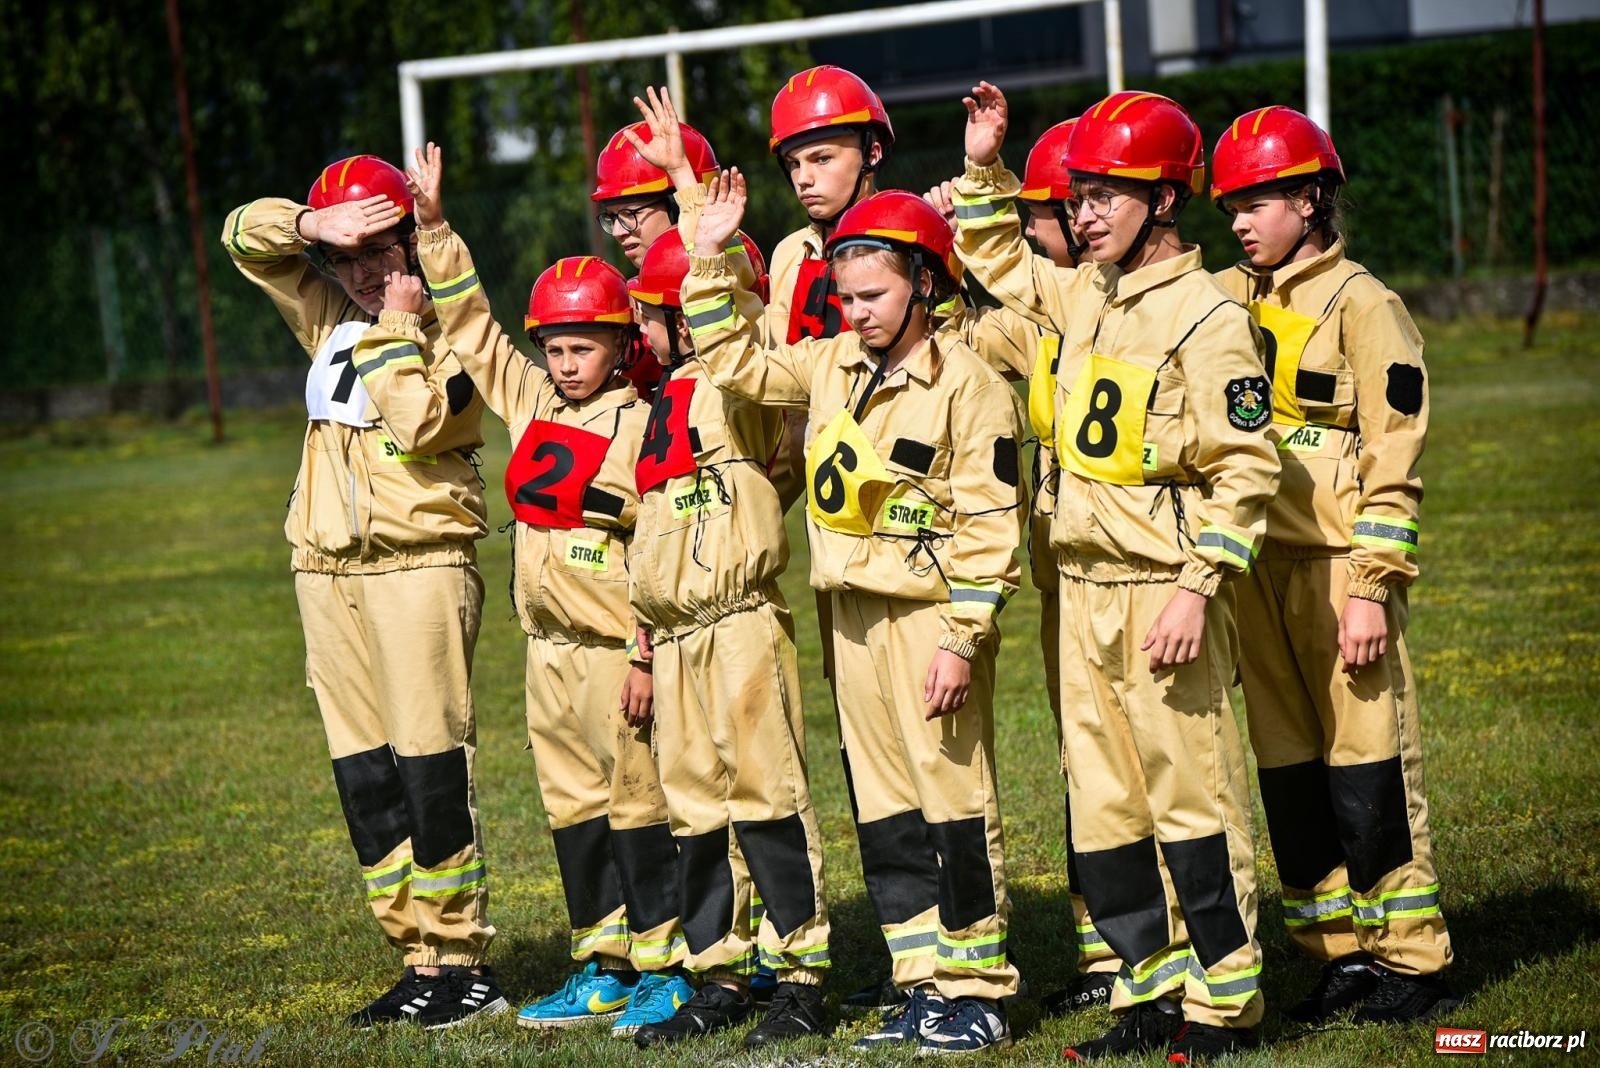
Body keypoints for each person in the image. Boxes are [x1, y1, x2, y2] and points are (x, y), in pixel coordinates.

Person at [951, 85, 1280, 1064]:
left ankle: (1221, 1007)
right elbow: (999, 256)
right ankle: (1144, 994)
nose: (1084, 213)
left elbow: (1248, 467)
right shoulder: (1086, 291)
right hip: (1081, 592)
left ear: (1167, 202)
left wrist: (1195, 587)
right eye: (1079, 195)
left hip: (1159, 596)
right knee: (1105, 808)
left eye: (1108, 195)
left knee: (1193, 803)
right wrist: (982, 169)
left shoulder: (1209, 315)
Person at [684, 175, 1028, 1055]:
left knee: (954, 804)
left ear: (923, 281)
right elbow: (735, 363)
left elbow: (994, 524)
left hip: (929, 624)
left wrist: (961, 639)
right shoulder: (830, 362)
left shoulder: (974, 386)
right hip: (851, 621)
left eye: (873, 295)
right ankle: (919, 981)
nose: (857, 312)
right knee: (886, 810)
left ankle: (977, 987)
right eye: (846, 296)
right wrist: (710, 256)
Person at [383, 143, 693, 1037]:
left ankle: (662, 963)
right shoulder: (535, 404)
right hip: (547, 654)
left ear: (620, 344)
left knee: (639, 808)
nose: (564, 363)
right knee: (574, 812)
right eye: (554, 346)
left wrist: (642, 652)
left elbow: (656, 549)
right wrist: (434, 230)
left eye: (583, 347)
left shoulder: (642, 421)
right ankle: (599, 961)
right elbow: (474, 328)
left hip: (614, 654)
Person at [220, 156, 503, 1029]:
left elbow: (426, 424)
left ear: (413, 243)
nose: (366, 273)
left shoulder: (455, 328)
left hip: (418, 564)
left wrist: (393, 323)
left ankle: (461, 961)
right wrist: (313, 228)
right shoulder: (329, 311)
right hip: (326, 569)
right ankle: (416, 955)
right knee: (365, 775)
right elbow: (240, 237)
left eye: (383, 249)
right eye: (350, 259)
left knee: (427, 766)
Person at [1210, 105, 1457, 1024]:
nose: (1240, 219)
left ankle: (1412, 958)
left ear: (1311, 198)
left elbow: (1397, 455)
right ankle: (1338, 952)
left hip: (1336, 575)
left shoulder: (1366, 304)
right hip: (1253, 575)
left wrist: (1369, 591)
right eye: (1232, 202)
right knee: (1290, 771)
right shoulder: (1224, 303)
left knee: (1369, 766)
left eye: (1262, 199)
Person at [621, 196, 833, 1055]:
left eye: (648, 310)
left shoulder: (737, 381)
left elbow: (740, 319)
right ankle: (719, 970)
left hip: (738, 622)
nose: (638, 324)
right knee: (696, 812)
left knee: (767, 799)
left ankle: (799, 976)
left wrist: (705, 249)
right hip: (674, 635)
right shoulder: (659, 396)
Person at [926, 116, 1122, 1019]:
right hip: (1058, 567)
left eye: (1066, 211)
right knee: (1086, 755)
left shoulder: (1119, 310)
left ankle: (1146, 944)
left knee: (1130, 755)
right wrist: (926, 263)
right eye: (1057, 212)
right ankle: (1107, 945)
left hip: (1128, 561)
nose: (1067, 228)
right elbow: (954, 344)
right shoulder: (1030, 326)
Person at [592, 116, 724, 399]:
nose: (617, 231)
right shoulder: (628, 298)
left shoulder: (733, 273)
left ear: (678, 204)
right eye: (612, 217)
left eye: (629, 214)